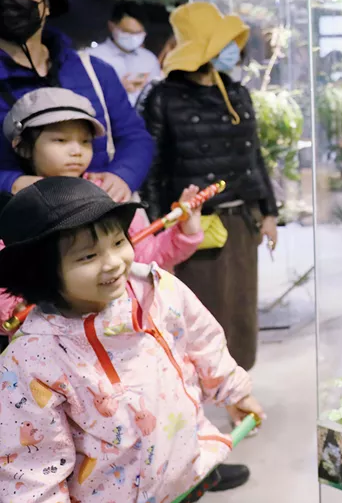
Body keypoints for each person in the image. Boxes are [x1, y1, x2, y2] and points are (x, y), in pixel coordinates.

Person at [0, 177, 265, 503]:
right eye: (88, 256)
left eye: (118, 242)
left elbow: (204, 339)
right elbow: (31, 469)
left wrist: (234, 392)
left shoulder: (157, 289)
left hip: (185, 471)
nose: (113, 262)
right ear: (42, 272)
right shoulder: (30, 362)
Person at [0, 87, 205, 339]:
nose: (76, 151)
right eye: (60, 140)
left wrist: (184, 231)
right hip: (49, 342)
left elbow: (148, 257)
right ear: (22, 147)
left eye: (85, 141)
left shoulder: (108, 194)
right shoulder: (17, 209)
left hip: (121, 333)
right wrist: (9, 308)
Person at [141, 2, 279, 371]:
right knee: (202, 311)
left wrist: (268, 212)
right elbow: (152, 169)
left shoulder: (237, 93)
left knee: (242, 308)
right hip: (194, 226)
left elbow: (254, 156)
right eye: (223, 42)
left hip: (242, 219)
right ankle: (200, 389)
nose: (233, 49)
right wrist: (159, 234)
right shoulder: (163, 97)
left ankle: (238, 385)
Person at [0, 0, 154, 202]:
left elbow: (135, 137)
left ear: (46, 3)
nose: (6, 0)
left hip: (100, 213)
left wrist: (122, 176)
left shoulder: (95, 72)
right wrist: (10, 183)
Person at [89, 1, 163, 105]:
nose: (133, 37)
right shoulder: (92, 58)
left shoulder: (149, 60)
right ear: (112, 26)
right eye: (127, 31)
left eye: (138, 33)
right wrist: (117, 90)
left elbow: (156, 96)